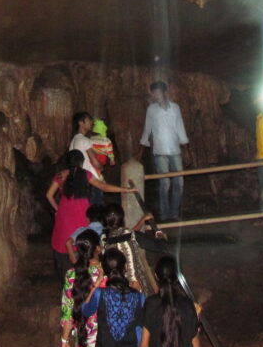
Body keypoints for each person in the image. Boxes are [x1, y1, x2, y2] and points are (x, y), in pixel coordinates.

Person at [48, 151, 134, 276]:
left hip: (64, 217)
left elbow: (49, 195)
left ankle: (67, 283)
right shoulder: (85, 174)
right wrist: (126, 190)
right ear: (81, 163)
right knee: (83, 244)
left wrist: (57, 209)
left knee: (64, 247)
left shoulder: (60, 176)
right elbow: (104, 187)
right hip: (81, 215)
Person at [137, 81, 190, 222]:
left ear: (164, 92)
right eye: (153, 93)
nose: (155, 95)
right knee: (164, 183)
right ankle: (164, 213)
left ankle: (174, 212)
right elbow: (147, 129)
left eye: (157, 92)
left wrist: (186, 149)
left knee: (179, 182)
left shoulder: (175, 108)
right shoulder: (151, 110)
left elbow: (180, 128)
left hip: (175, 151)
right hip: (160, 152)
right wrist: (141, 150)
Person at [98, 203, 158, 286]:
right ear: (122, 219)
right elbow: (133, 233)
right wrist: (143, 220)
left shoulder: (103, 239)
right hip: (136, 283)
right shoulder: (128, 234)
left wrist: (142, 220)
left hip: (115, 283)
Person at [69, 111, 105, 204]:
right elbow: (95, 162)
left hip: (79, 181)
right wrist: (101, 168)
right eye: (89, 120)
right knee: (95, 209)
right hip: (91, 180)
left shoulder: (73, 141)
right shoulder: (84, 140)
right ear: (81, 123)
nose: (91, 122)